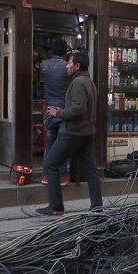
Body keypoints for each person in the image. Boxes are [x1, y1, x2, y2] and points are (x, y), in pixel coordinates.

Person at [36, 51, 102, 216]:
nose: (67, 65)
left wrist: (58, 113)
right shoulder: (89, 82)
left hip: (73, 132)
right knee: (91, 170)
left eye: (69, 63)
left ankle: (56, 206)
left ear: (77, 66)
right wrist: (62, 110)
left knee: (50, 164)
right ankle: (97, 207)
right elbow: (81, 107)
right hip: (86, 132)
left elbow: (78, 109)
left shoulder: (78, 83)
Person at [39, 38, 72, 185]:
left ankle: (46, 175)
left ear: (51, 51)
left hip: (48, 110)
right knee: (62, 144)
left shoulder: (44, 65)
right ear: (65, 52)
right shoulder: (67, 67)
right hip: (62, 111)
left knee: (50, 143)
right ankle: (62, 175)